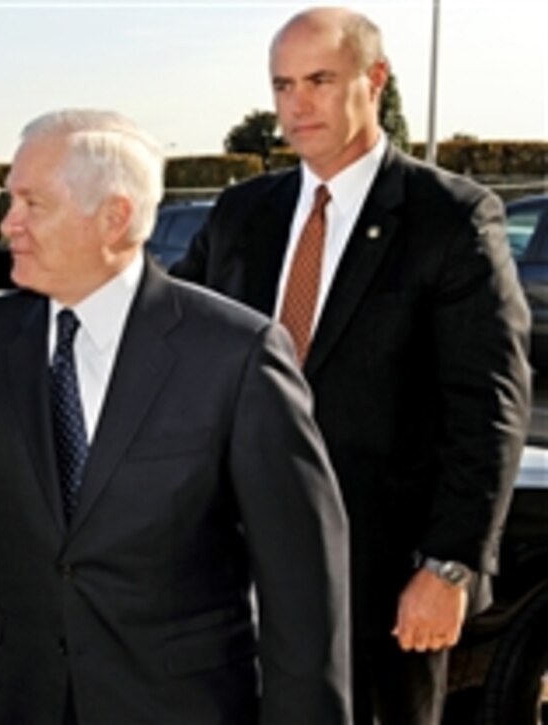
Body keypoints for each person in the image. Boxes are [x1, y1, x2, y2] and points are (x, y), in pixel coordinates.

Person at [0, 109, 352, 723]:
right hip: (27, 699)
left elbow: (303, 585)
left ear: (115, 217)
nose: (8, 224)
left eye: (31, 203)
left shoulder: (234, 354)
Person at [168, 8, 531, 724]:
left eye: (319, 80)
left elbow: (488, 409)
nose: (296, 104)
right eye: (282, 85)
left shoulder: (450, 218)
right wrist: (23, 325)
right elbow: (167, 327)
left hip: (381, 584)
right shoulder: (242, 214)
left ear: (375, 79)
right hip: (234, 569)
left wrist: (449, 565)